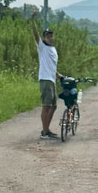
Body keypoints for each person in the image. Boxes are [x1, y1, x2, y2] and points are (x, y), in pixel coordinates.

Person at [30, 10, 62, 139]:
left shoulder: (53, 49)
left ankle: (47, 129)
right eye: (48, 36)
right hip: (45, 80)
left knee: (53, 106)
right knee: (46, 105)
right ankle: (44, 132)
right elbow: (35, 34)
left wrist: (58, 74)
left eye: (51, 36)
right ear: (44, 39)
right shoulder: (42, 47)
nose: (50, 38)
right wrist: (32, 20)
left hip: (52, 80)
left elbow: (51, 65)